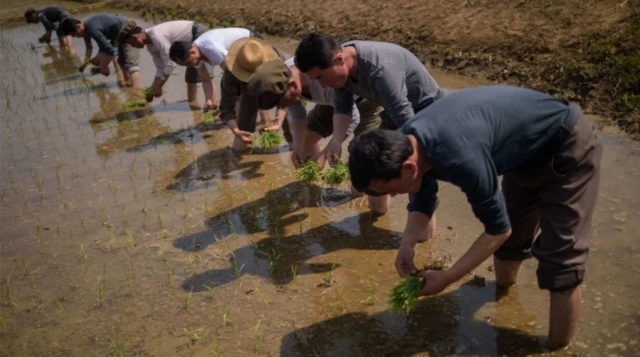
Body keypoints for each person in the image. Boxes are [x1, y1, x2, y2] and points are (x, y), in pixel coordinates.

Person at [348, 85, 603, 350]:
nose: (397, 196)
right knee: (509, 246)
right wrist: (407, 243)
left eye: (392, 190)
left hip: (567, 144)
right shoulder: (406, 144)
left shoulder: (460, 158)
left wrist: (448, 277)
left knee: (561, 262)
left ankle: (556, 347)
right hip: (523, 155)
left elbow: (497, 229)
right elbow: (423, 197)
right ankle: (506, 293)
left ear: (409, 169)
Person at [294, 33, 443, 216]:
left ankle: (422, 227)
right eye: (316, 80)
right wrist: (337, 141)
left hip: (426, 112)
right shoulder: (342, 64)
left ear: (339, 59)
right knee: (374, 169)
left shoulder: (381, 71)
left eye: (321, 77)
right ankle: (381, 213)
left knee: (418, 182)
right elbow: (343, 107)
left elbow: (408, 122)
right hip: (392, 111)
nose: (322, 86)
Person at [245, 58, 389, 214]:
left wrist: (327, 151)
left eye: (283, 102)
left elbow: (352, 117)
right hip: (330, 102)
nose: (283, 107)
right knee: (306, 142)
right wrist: (297, 147)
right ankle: (314, 185)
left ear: (293, 85)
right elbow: (298, 114)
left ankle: (365, 200)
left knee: (365, 172)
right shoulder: (282, 76)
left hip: (366, 103)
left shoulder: (323, 77)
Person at [187, 36, 289, 151]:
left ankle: (292, 147)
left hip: (274, 84)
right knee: (241, 137)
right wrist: (236, 131)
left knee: (292, 130)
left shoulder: (278, 66)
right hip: (248, 93)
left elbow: (287, 97)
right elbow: (226, 108)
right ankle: (238, 152)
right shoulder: (232, 73)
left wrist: (278, 122)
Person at [169, 27, 264, 113]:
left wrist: (225, 102)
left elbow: (232, 74)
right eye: (184, 65)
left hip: (251, 42)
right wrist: (209, 99)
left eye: (188, 63)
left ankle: (265, 121)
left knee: (253, 85)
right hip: (237, 53)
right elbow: (206, 79)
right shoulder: (195, 55)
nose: (188, 66)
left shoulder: (212, 48)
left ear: (193, 52)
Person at [116, 20, 209, 104]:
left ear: (135, 38)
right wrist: (153, 89)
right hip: (189, 45)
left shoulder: (157, 37)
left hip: (198, 34)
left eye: (131, 43)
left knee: (206, 77)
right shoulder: (151, 45)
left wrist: (159, 86)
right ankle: (194, 108)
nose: (133, 46)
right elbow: (161, 67)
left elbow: (170, 64)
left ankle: (212, 106)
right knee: (191, 78)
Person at [60, 15, 140, 88]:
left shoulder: (92, 28)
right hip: (118, 37)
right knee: (122, 62)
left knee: (131, 65)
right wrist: (86, 63)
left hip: (128, 31)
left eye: (74, 34)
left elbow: (107, 48)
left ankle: (137, 92)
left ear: (78, 26)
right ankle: (128, 86)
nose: (76, 37)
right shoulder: (85, 30)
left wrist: (103, 67)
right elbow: (90, 48)